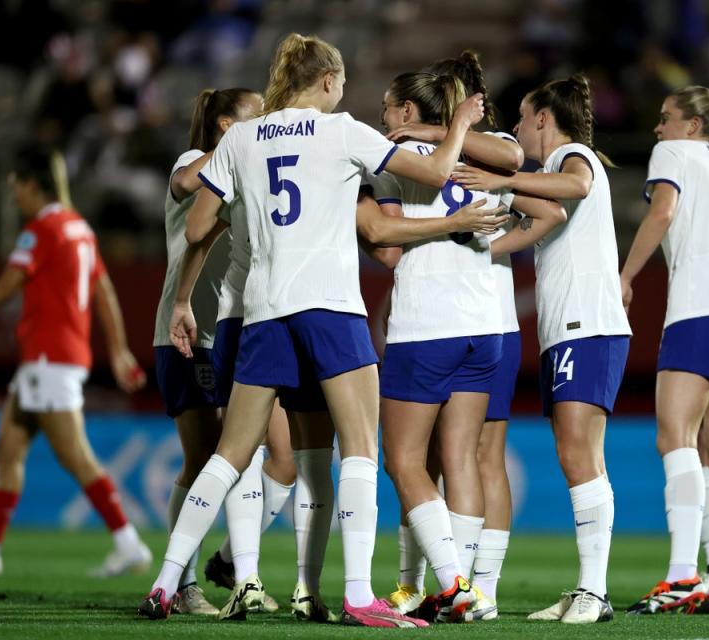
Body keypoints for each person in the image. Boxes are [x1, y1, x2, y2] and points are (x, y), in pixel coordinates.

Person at [138, 32, 490, 627]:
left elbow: (199, 224)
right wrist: (457, 122)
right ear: (328, 81)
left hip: (264, 309)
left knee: (228, 455)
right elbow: (436, 173)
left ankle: (166, 581)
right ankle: (357, 594)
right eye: (343, 85)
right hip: (329, 306)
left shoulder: (243, 137)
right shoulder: (343, 130)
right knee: (358, 448)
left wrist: (183, 296)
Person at [370, 70, 563, 624]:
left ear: (409, 111)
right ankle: (472, 592)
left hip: (427, 321)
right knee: (462, 461)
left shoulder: (397, 151)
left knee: (405, 462)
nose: (384, 119)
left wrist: (426, 139)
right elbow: (511, 164)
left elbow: (385, 249)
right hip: (484, 323)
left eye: (389, 108)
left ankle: (451, 583)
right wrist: (452, 129)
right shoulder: (499, 147)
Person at [454, 73, 632, 624]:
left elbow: (575, 189)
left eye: (520, 118)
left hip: (589, 324)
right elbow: (545, 218)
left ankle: (595, 592)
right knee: (577, 454)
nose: (513, 128)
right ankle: (587, 589)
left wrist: (499, 181)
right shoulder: (547, 176)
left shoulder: (573, 157)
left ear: (542, 120)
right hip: (567, 328)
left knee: (580, 453)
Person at [617, 86, 709, 616]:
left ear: (694, 126)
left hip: (703, 305)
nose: (658, 129)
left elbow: (661, 213)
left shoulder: (675, 154)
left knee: (676, 437)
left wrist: (627, 274)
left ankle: (682, 575)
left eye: (665, 119)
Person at [0, 148, 150, 578]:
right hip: (56, 357)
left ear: (34, 185)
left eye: (18, 187)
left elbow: (7, 285)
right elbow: (105, 290)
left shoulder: (42, 229)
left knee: (76, 457)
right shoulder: (79, 228)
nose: (15, 196)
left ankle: (129, 544)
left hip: (48, 358)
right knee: (9, 447)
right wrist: (121, 347)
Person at [154, 86, 296, 617]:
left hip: (242, 329)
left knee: (282, 457)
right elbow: (183, 183)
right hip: (186, 332)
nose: (266, 123)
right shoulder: (196, 160)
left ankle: (230, 560)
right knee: (203, 459)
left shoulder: (251, 172)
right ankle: (184, 584)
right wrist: (240, 146)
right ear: (224, 126)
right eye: (254, 117)